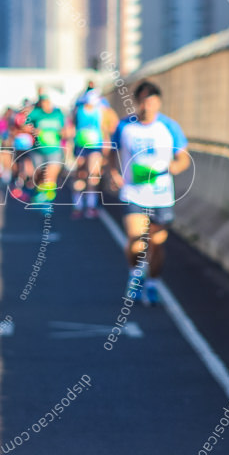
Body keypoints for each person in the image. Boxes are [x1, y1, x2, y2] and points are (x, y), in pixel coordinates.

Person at [108, 81, 190, 306]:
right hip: (133, 192)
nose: (148, 105)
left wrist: (174, 167)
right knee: (136, 239)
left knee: (156, 243)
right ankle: (135, 275)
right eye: (143, 100)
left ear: (159, 102)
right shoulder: (125, 127)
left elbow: (183, 157)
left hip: (161, 194)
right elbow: (112, 154)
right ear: (136, 102)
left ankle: (152, 284)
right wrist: (114, 173)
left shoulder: (169, 127)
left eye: (152, 100)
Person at [69, 83, 118, 219]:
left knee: (93, 174)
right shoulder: (78, 109)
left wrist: (107, 143)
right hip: (80, 146)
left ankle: (91, 205)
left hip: (95, 146)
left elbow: (111, 125)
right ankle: (77, 205)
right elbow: (72, 126)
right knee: (79, 175)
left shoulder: (102, 110)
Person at [24, 91, 68, 206]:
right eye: (43, 102)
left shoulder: (58, 114)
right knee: (40, 177)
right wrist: (33, 130)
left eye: (47, 102)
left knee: (50, 176)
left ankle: (47, 201)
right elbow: (24, 126)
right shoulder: (36, 114)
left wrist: (63, 133)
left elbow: (65, 130)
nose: (45, 104)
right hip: (38, 150)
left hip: (54, 150)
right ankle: (41, 194)